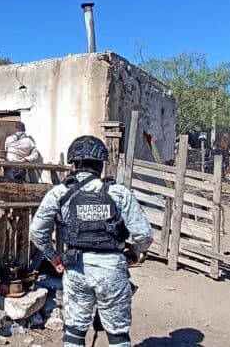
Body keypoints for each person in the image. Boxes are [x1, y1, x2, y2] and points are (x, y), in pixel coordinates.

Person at [29, 135, 153, 347]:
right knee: (117, 332)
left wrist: (53, 257)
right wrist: (134, 253)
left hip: (75, 267)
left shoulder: (60, 193)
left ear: (74, 164)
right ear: (101, 164)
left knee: (74, 330)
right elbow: (144, 235)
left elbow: (37, 232)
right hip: (112, 268)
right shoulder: (118, 192)